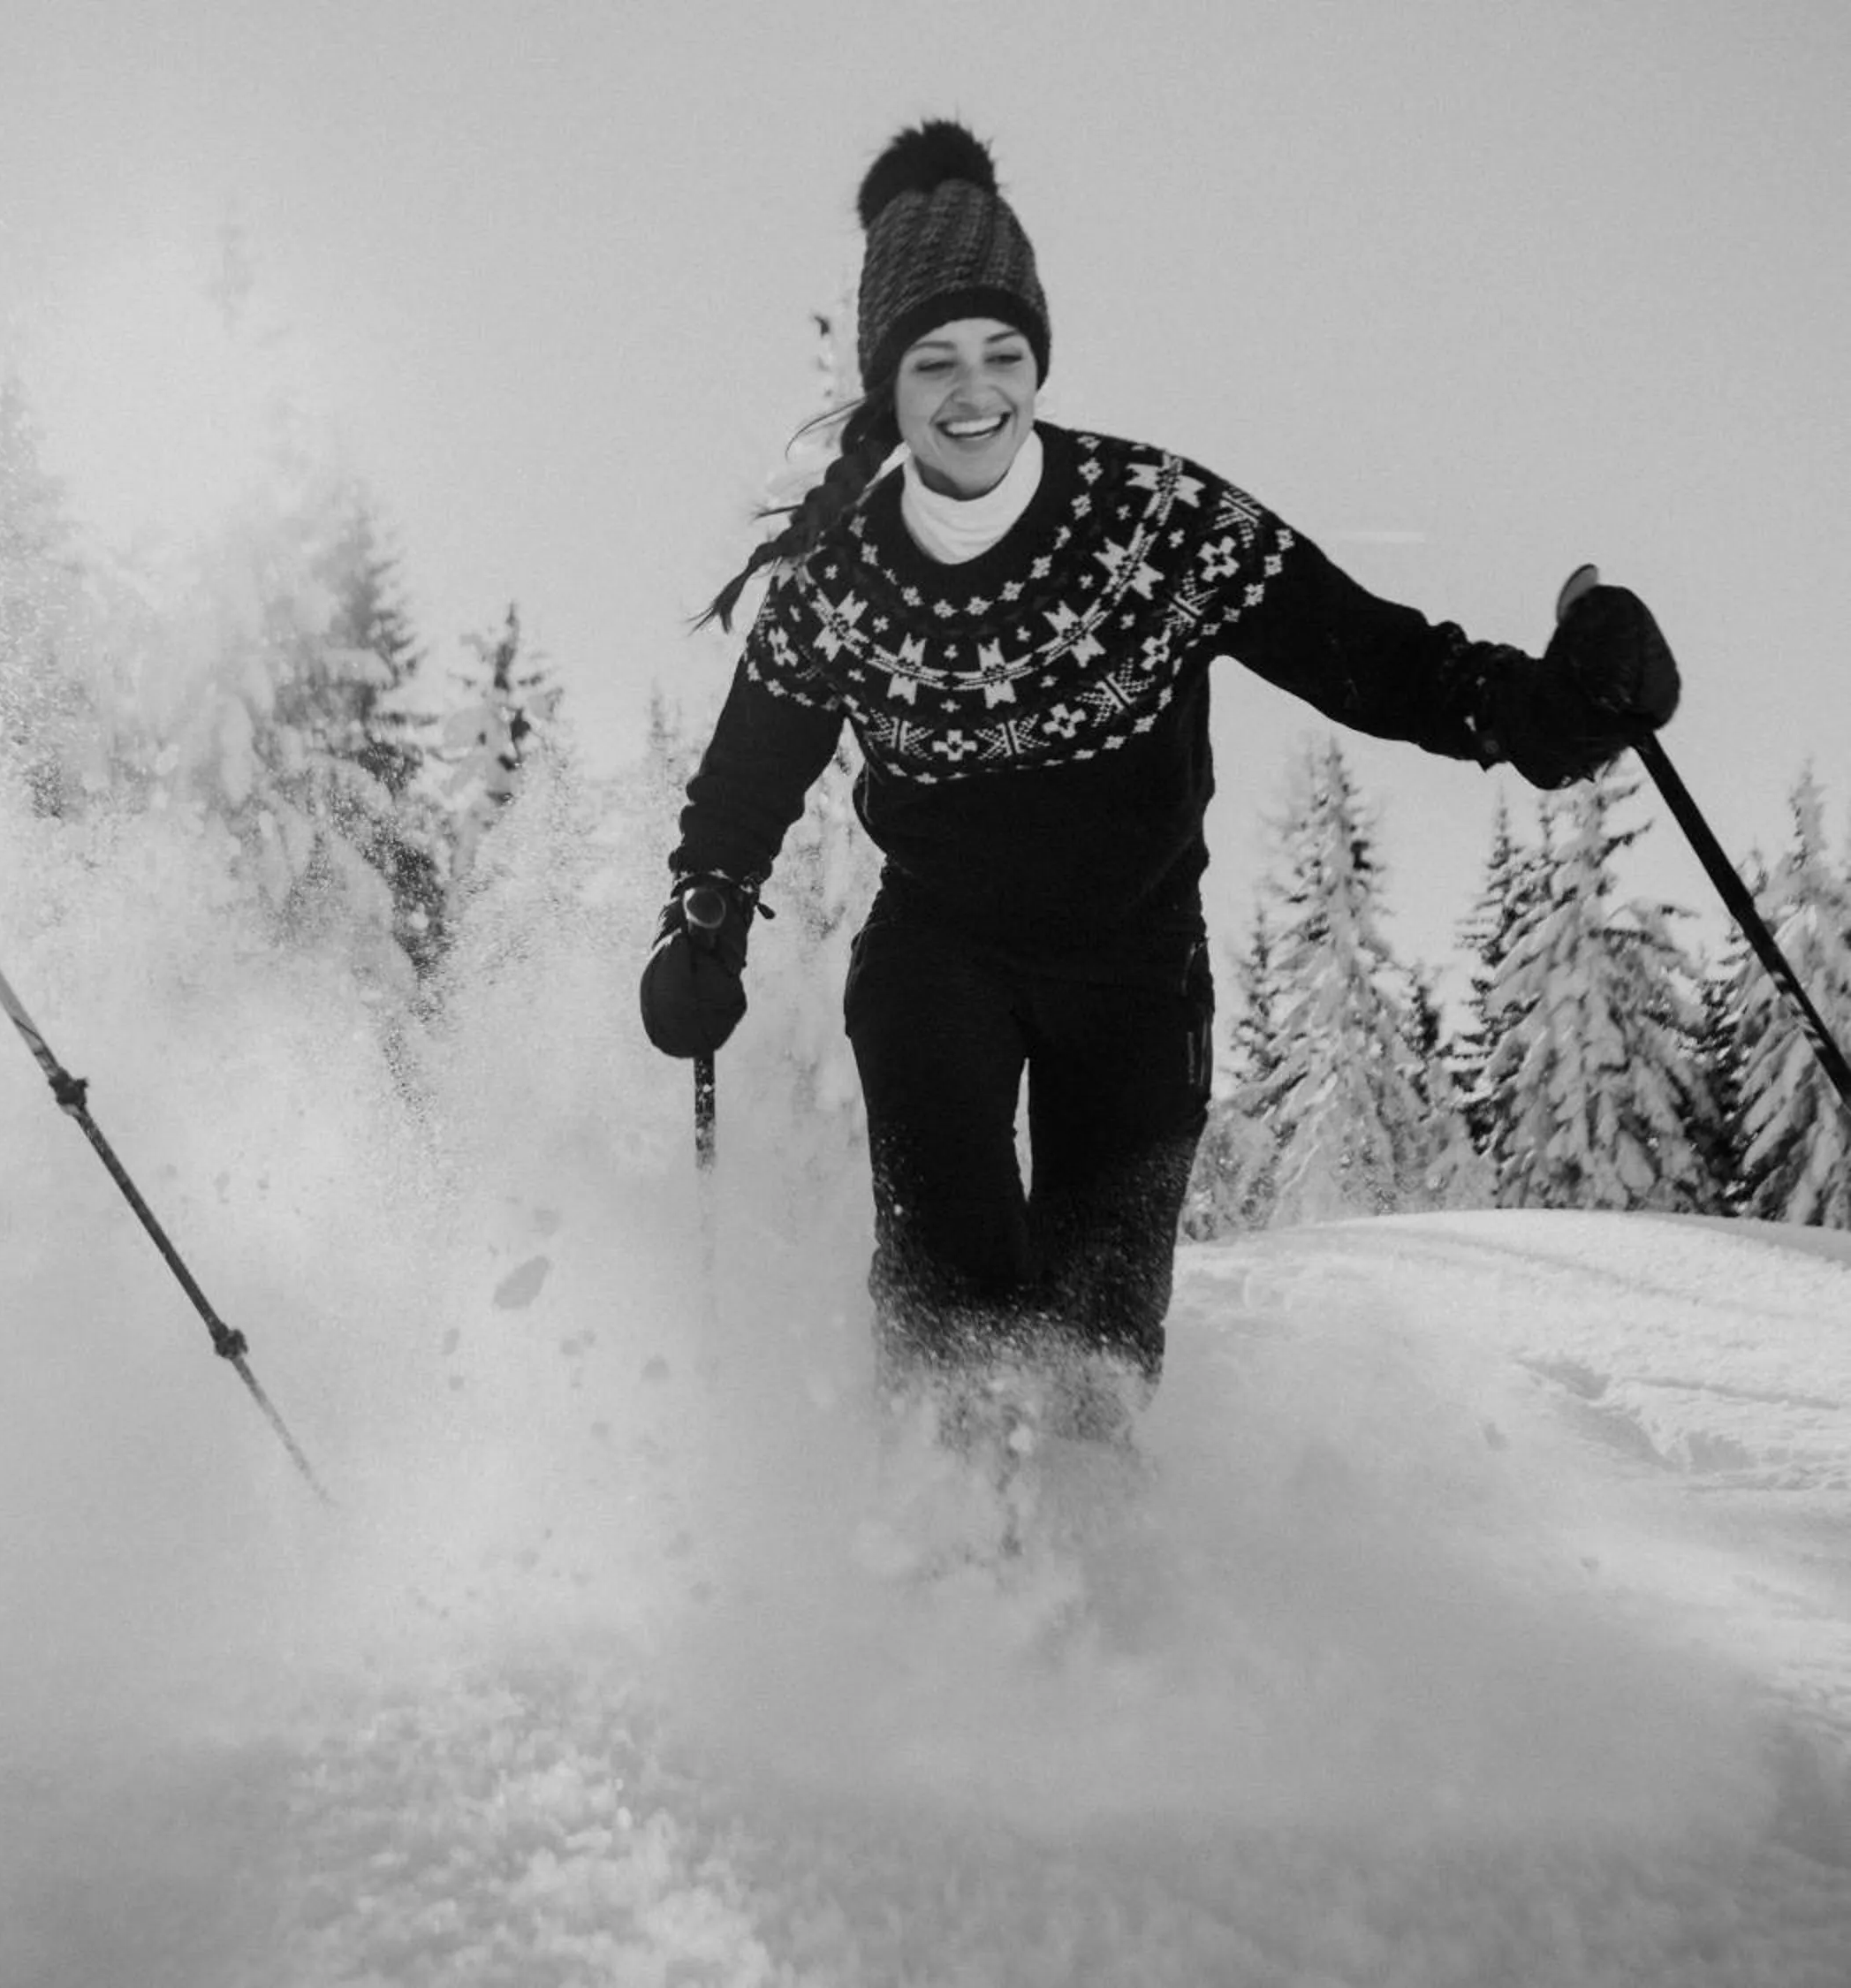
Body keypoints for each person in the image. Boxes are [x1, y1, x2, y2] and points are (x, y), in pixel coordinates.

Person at [640, 119, 1678, 1466]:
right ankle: (933, 1591)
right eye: (936, 362)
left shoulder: (1154, 521)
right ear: (886, 384)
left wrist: (1543, 714)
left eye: (1002, 356)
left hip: (1134, 971)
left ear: (1039, 364)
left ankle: (1091, 1623)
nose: (974, 393)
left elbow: (1367, 655)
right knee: (950, 1298)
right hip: (939, 953)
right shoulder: (842, 583)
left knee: (1095, 1356)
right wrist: (704, 914)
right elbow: (745, 782)